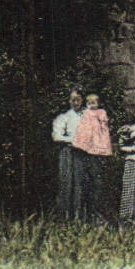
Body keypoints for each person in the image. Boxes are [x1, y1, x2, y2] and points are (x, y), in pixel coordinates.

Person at [72, 93, 114, 221]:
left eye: (94, 103)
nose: (91, 106)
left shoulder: (101, 112)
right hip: (87, 137)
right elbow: (83, 126)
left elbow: (104, 123)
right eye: (89, 103)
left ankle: (96, 214)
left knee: (96, 179)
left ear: (98, 104)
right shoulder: (86, 113)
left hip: (97, 137)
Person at [51, 90, 83, 219]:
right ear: (69, 101)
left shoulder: (87, 116)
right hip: (68, 152)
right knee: (66, 182)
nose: (76, 102)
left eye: (78, 99)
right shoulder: (63, 117)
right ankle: (64, 216)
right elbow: (56, 136)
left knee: (80, 184)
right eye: (73, 100)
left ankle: (79, 216)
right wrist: (72, 140)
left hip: (83, 153)